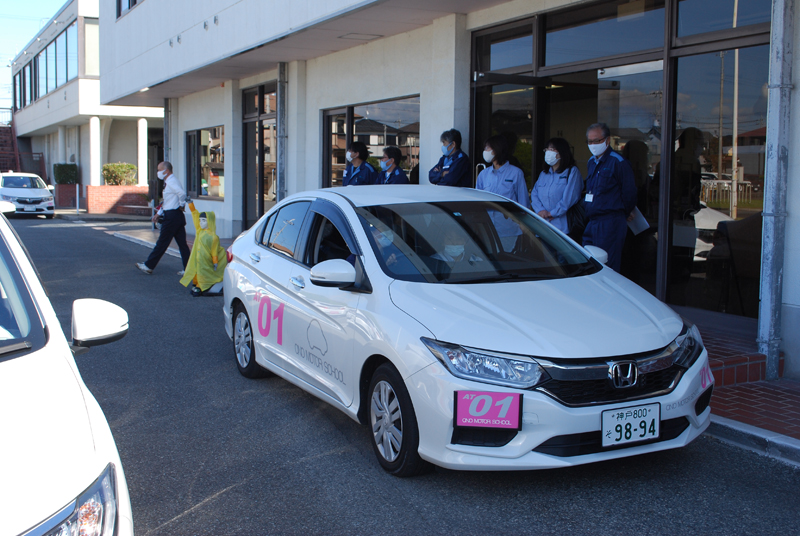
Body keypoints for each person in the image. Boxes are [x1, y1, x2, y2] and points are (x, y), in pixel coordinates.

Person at [582, 123, 637, 272]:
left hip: (610, 221)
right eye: (590, 141)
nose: (593, 145)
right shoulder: (591, 162)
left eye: (597, 141)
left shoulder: (618, 162)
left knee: (607, 266)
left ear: (607, 140)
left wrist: (623, 213)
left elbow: (629, 193)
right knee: (589, 262)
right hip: (592, 220)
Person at [475, 135, 531, 251]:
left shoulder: (516, 173)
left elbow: (523, 204)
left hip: (508, 229)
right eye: (485, 148)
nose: (486, 152)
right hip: (486, 229)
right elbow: (477, 202)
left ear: (498, 149)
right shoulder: (483, 175)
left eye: (488, 148)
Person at [136, 161, 191, 274]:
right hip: (175, 216)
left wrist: (181, 205)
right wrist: (158, 213)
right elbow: (167, 201)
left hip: (172, 217)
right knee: (182, 244)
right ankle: (188, 270)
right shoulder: (169, 181)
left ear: (166, 171)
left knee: (162, 242)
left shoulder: (172, 181)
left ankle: (148, 266)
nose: (158, 173)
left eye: (159, 170)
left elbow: (182, 194)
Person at [530, 137, 583, 235]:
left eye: (552, 150)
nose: (548, 152)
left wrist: (552, 213)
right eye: (547, 150)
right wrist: (540, 210)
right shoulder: (544, 174)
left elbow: (569, 198)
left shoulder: (572, 172)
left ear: (562, 152)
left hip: (562, 229)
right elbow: (534, 194)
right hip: (543, 226)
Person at [180, 203, 227, 296]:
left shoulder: (213, 237)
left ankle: (202, 287)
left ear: (210, 221)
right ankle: (196, 284)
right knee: (197, 272)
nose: (201, 223)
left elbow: (214, 250)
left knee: (204, 273)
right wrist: (191, 205)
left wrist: (215, 261)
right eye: (200, 220)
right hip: (198, 259)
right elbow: (195, 217)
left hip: (205, 260)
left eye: (204, 220)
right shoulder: (200, 231)